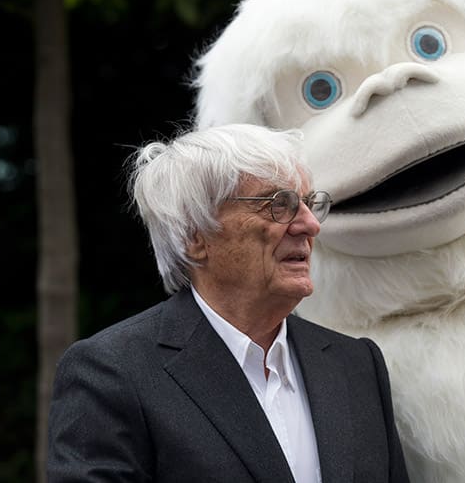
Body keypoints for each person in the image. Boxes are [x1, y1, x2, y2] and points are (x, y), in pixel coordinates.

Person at [46, 123, 410, 483]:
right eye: (278, 205)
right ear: (194, 238)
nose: (310, 224)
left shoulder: (356, 365)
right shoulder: (113, 373)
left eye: (309, 203)